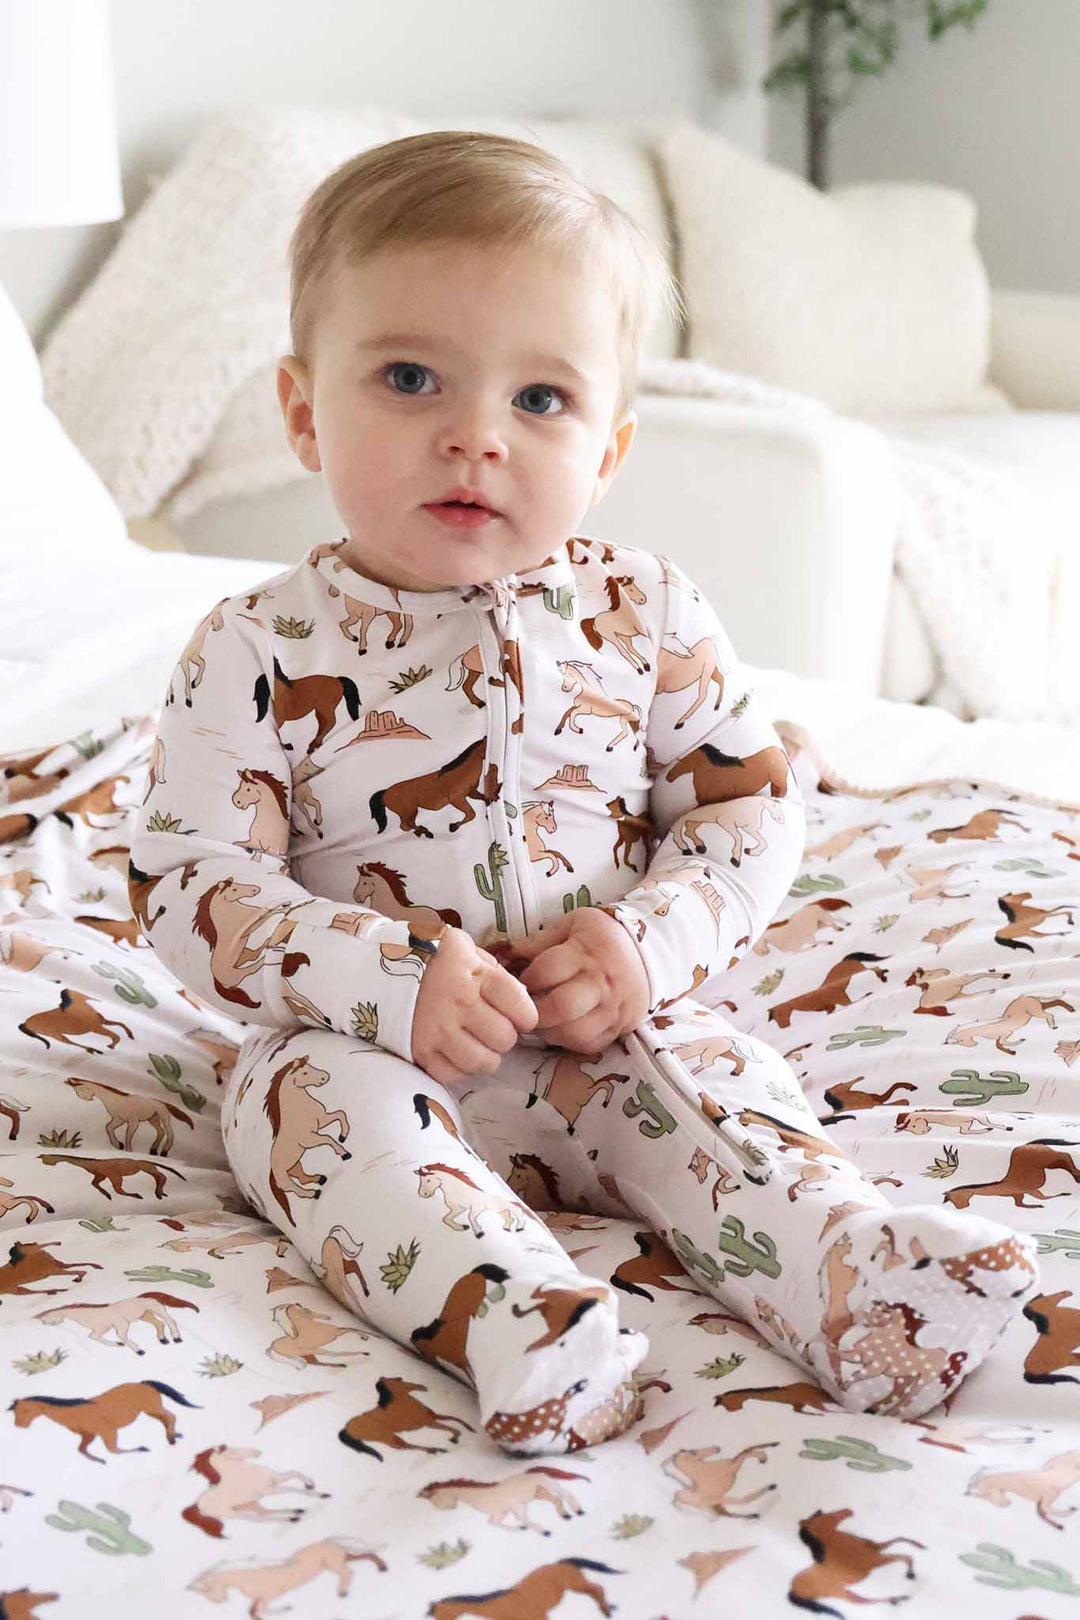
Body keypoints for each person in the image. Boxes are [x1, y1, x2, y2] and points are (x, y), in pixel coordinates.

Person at [130, 130, 1039, 1457]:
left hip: (606, 1025)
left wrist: (644, 945)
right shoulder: (257, 648)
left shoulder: (648, 614)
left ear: (608, 450)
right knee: (308, 1132)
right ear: (304, 411)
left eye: (540, 402)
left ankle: (854, 1278)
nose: (474, 436)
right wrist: (382, 976)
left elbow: (744, 808)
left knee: (721, 1093)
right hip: (367, 1041)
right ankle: (519, 1318)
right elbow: (184, 881)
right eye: (409, 377)